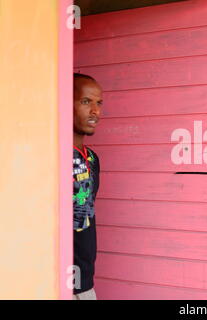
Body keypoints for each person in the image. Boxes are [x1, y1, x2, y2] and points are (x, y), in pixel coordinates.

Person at [72, 73, 102, 300]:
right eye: (86, 102)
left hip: (85, 281)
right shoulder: (50, 155)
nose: (95, 111)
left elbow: (85, 214)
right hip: (51, 279)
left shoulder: (91, 158)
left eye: (98, 103)